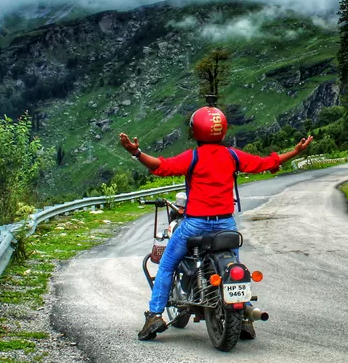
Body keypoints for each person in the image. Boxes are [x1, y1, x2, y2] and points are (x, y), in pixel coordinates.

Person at [119, 106, 313, 340]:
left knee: (168, 265)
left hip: (195, 225)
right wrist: (296, 151)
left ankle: (155, 315)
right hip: (226, 225)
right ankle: (243, 317)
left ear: (195, 131)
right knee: (234, 267)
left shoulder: (193, 157)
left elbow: (160, 166)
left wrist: (137, 153)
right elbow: (265, 163)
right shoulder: (233, 156)